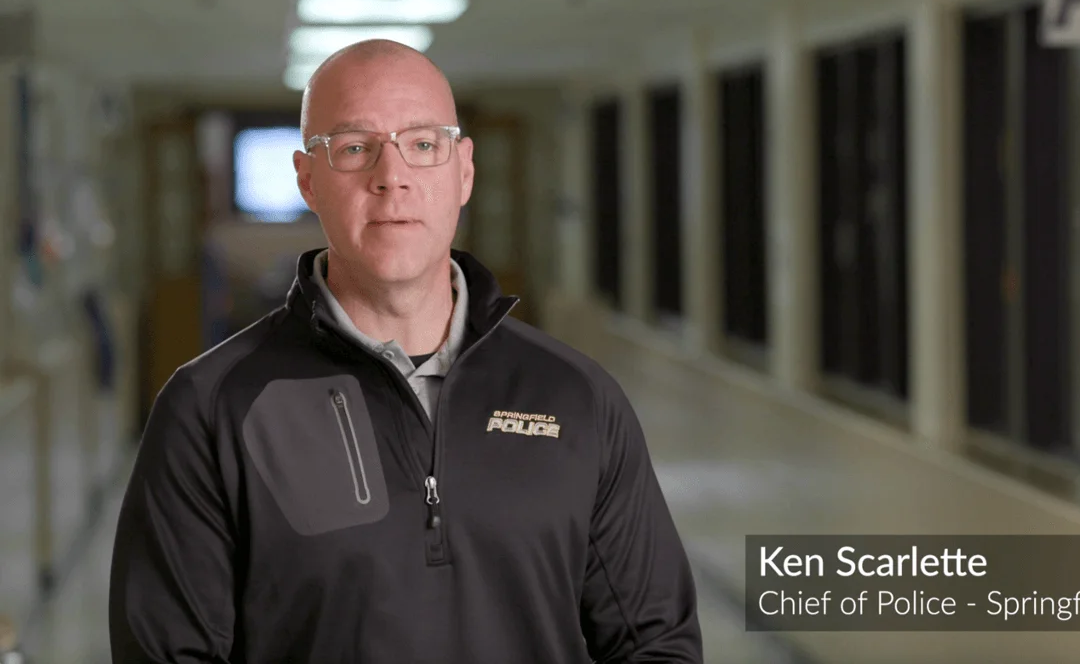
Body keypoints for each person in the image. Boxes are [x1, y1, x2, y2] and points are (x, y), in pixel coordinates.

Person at [108, 39, 703, 663]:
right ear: (308, 178)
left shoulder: (577, 398)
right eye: (355, 148)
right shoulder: (210, 410)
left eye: (423, 144)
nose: (391, 178)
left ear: (464, 171)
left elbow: (656, 642)